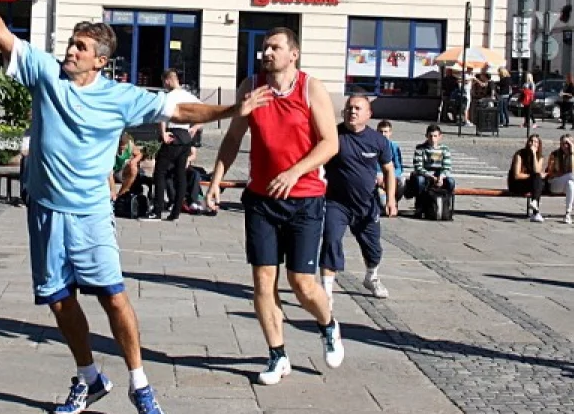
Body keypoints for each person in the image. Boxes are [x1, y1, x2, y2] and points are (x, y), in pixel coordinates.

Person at [0, 0, 269, 414]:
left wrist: (230, 112)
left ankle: (140, 385)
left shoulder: (121, 97)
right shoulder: (46, 74)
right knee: (58, 299)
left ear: (99, 60)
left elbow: (181, 110)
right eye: (71, 44)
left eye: (79, 47)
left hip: (91, 212)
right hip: (44, 211)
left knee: (113, 297)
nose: (69, 51)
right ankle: (89, 377)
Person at [205, 28, 344, 386]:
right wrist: (217, 180)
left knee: (302, 284)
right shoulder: (251, 86)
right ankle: (278, 355)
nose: (266, 53)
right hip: (261, 200)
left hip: (305, 199)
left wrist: (295, 172)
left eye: (274, 47)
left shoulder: (311, 89)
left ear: (293, 54)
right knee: (263, 281)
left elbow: (330, 144)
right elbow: (234, 137)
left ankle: (328, 325)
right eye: (264, 47)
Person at [321, 95, 397, 302]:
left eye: (357, 108)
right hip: (336, 203)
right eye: (349, 108)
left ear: (368, 114)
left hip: (367, 204)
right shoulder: (333, 135)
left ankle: (372, 277)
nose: (352, 111)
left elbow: (389, 170)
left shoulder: (378, 141)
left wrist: (391, 199)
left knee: (372, 247)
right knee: (331, 239)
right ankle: (326, 292)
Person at [149, 69, 199, 222]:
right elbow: (203, 112)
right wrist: (194, 128)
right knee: (180, 174)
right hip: (185, 136)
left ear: (168, 80)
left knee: (160, 172)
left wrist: (163, 133)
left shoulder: (168, 96)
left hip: (173, 135)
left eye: (164, 82)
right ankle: (176, 211)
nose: (164, 85)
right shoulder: (189, 96)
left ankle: (157, 210)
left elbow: (161, 115)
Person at [408, 124, 455, 203]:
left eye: (435, 136)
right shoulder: (420, 148)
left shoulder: (445, 149)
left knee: (451, 182)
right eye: (430, 136)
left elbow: (447, 167)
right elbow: (418, 167)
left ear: (440, 136)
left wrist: (441, 176)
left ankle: (446, 203)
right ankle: (420, 203)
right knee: (420, 181)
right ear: (426, 136)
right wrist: (431, 176)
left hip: (440, 175)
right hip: (425, 175)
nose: (433, 139)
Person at [508, 134, 546, 223]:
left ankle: (535, 205)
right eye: (531, 141)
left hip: (531, 183)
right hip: (517, 184)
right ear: (528, 142)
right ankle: (536, 212)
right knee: (537, 179)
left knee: (538, 181)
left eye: (536, 142)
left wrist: (533, 155)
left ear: (539, 144)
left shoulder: (540, 157)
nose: (533, 144)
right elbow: (517, 175)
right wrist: (532, 176)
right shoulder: (520, 154)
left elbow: (536, 170)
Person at [376, 119, 403, 208]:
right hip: (377, 177)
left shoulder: (394, 147)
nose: (383, 134)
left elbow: (399, 167)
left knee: (402, 182)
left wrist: (391, 177)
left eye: (386, 132)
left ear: (390, 133)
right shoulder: (372, 146)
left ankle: (394, 200)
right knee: (382, 203)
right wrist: (377, 176)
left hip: (390, 175)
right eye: (381, 132)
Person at [110, 133, 144, 201]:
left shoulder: (130, 145)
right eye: (121, 145)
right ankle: (113, 196)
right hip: (110, 171)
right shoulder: (111, 148)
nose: (123, 147)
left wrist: (134, 161)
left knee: (133, 168)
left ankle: (121, 195)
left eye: (125, 145)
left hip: (121, 170)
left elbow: (139, 154)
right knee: (108, 173)